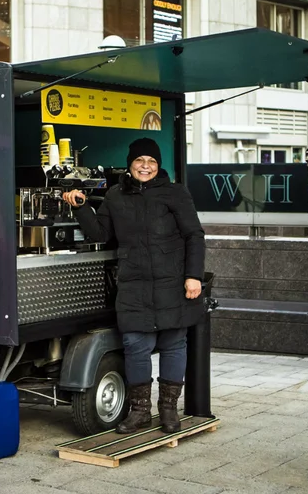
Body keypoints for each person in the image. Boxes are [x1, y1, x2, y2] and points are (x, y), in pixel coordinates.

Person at [63, 137, 205, 435]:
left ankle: (168, 410)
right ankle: (139, 411)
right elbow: (99, 233)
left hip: (172, 282)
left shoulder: (175, 193)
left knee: (172, 344)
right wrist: (82, 207)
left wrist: (194, 276)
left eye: (151, 162)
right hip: (134, 284)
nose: (145, 166)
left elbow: (194, 235)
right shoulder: (116, 196)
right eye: (140, 161)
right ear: (130, 165)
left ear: (158, 165)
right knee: (135, 346)